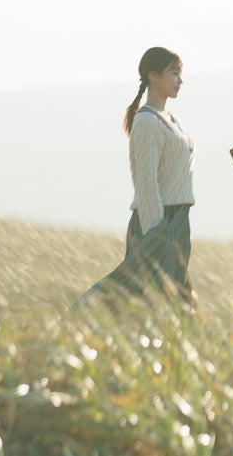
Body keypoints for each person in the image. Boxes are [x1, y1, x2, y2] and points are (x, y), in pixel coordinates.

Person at [84, 46, 197, 304]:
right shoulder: (147, 122)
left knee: (174, 302)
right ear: (153, 76)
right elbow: (146, 184)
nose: (180, 81)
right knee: (149, 301)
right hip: (159, 221)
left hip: (178, 220)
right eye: (174, 73)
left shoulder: (171, 119)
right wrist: (156, 235)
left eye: (180, 74)